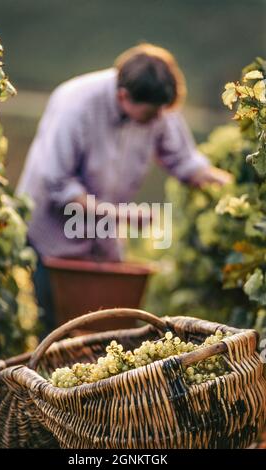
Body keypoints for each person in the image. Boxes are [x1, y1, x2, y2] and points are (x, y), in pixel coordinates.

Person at [16, 43, 233, 332]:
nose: (158, 121)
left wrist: (231, 187)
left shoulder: (155, 103)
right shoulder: (76, 104)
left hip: (100, 235)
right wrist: (121, 216)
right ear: (122, 96)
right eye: (150, 116)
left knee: (101, 329)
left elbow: (184, 159)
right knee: (54, 328)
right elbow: (57, 183)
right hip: (52, 236)